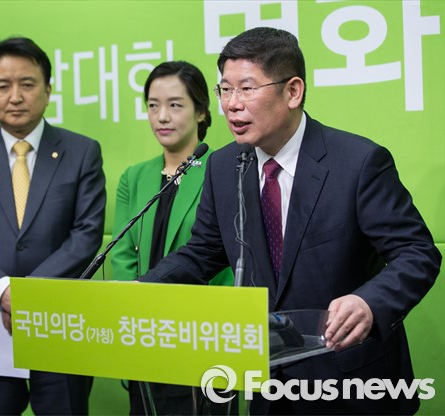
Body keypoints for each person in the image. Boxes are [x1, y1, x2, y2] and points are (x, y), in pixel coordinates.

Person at [139, 27, 441, 414]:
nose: (232, 105)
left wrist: (369, 302)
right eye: (224, 90)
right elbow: (204, 251)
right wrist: (140, 291)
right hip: (269, 385)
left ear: (293, 91)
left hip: (350, 382)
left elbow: (417, 253)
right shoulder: (222, 165)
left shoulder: (358, 162)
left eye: (246, 89)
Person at [0, 36, 106, 415]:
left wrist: (28, 295)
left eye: (27, 84)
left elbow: (86, 234)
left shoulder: (82, 151)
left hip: (62, 318)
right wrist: (3, 292)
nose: (15, 96)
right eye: (2, 86)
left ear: (48, 90)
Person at [111, 61, 233, 415]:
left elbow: (223, 259)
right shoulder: (134, 177)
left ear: (201, 112)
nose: (162, 116)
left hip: (201, 333)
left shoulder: (223, 170)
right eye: (153, 105)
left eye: (175, 105)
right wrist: (133, 317)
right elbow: (122, 253)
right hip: (143, 332)